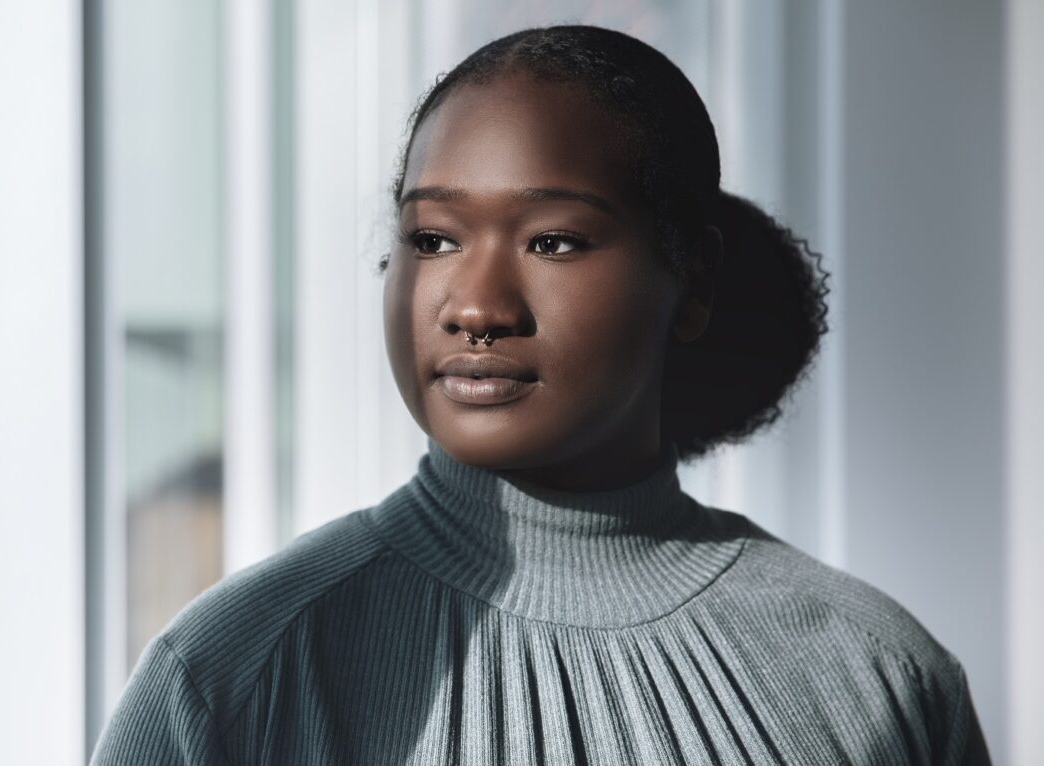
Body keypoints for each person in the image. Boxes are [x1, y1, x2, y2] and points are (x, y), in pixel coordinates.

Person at [90, 24, 990, 765]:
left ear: (693, 279)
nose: (475, 305)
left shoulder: (873, 672)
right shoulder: (237, 671)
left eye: (554, 242)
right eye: (433, 238)